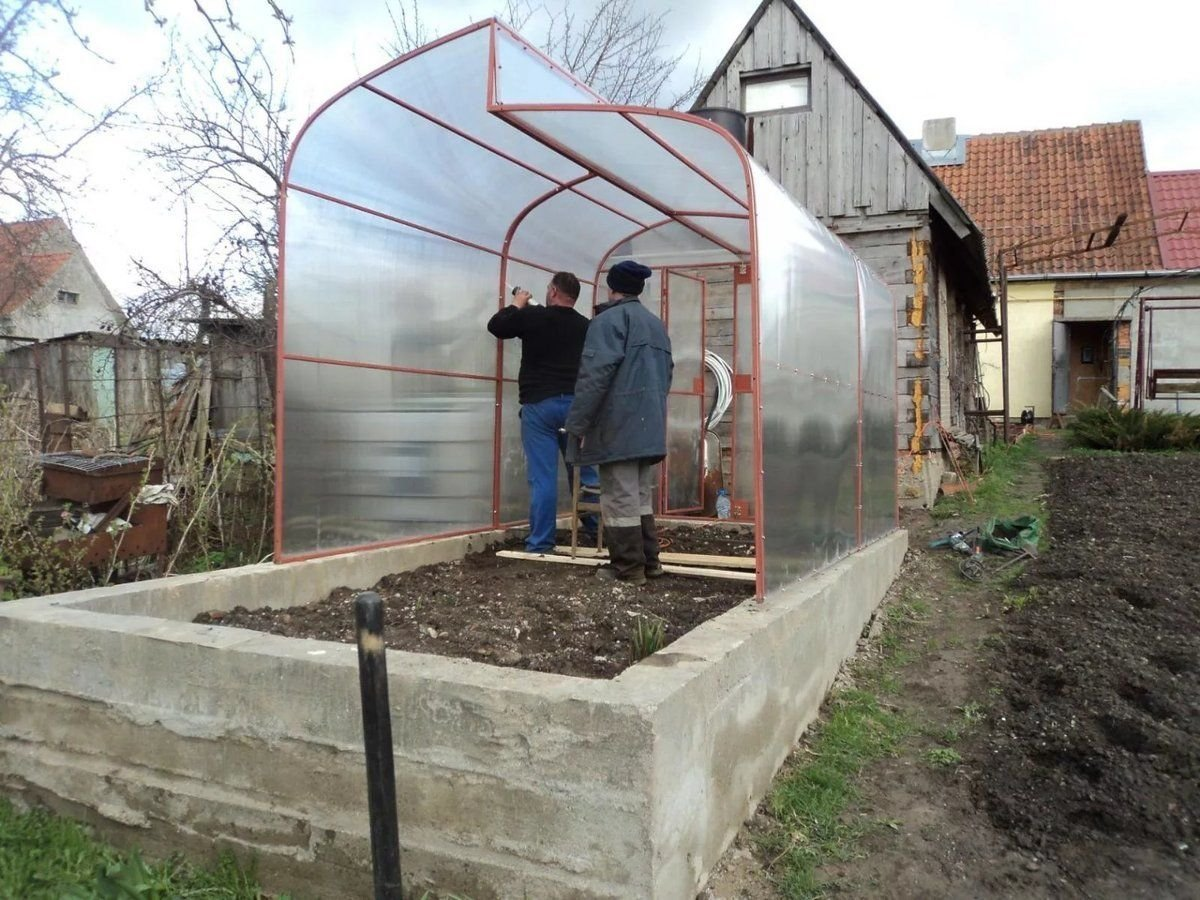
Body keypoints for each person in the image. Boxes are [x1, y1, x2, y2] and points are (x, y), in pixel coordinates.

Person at [565, 260, 673, 585]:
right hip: (648, 424)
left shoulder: (608, 321)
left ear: (612, 288)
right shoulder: (656, 325)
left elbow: (594, 377)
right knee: (639, 496)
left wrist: (578, 424)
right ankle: (649, 563)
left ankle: (627, 570)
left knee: (619, 497)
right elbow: (667, 375)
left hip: (618, 426)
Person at [487, 271, 599, 553]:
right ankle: (599, 532)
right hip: (576, 407)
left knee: (543, 477)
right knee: (585, 474)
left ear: (552, 291)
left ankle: (541, 543)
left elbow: (496, 326)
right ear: (574, 297)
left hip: (540, 406)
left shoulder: (534, 317)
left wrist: (517, 303)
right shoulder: (586, 326)